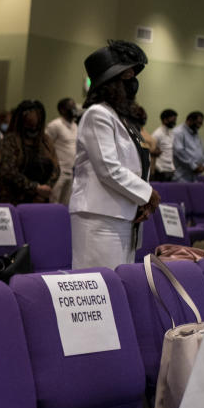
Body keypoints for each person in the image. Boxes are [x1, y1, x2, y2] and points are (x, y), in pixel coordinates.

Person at [70, 40, 160, 270]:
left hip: (126, 215)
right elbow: (108, 169)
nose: (133, 80)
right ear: (110, 82)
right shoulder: (97, 114)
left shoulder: (124, 118)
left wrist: (141, 201)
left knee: (120, 287)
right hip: (99, 217)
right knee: (100, 287)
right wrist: (147, 193)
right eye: (126, 75)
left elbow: (137, 164)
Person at [0, 100, 59, 205]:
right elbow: (8, 171)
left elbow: (56, 169)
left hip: (40, 201)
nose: (33, 128)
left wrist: (44, 190)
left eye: (36, 125)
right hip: (12, 201)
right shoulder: (10, 141)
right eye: (29, 125)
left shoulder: (46, 141)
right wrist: (35, 188)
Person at [45, 97, 79, 204]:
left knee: (66, 203)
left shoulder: (75, 125)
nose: (74, 108)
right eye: (71, 106)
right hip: (59, 171)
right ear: (62, 110)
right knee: (54, 201)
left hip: (72, 170)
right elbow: (46, 145)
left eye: (74, 106)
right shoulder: (55, 125)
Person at [173, 111, 204, 182]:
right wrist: (194, 167)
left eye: (201, 123)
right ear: (190, 120)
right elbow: (179, 152)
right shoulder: (178, 132)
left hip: (195, 175)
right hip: (181, 177)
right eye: (199, 123)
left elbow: (202, 151)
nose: (200, 126)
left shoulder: (195, 133)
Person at [151, 109, 178, 182]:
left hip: (170, 169)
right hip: (160, 170)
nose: (175, 122)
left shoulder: (171, 133)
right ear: (165, 120)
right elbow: (152, 151)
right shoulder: (157, 134)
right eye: (173, 120)